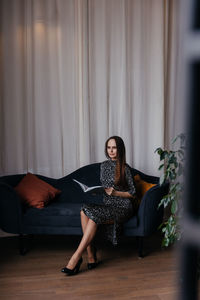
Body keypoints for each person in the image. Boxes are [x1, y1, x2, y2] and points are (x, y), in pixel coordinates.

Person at [61, 136, 137, 276]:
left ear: (120, 149)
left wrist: (116, 193)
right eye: (109, 147)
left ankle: (76, 257)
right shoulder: (103, 166)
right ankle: (91, 254)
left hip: (123, 208)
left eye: (114, 147)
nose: (111, 151)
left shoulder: (125, 168)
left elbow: (132, 193)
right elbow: (105, 189)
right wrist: (97, 192)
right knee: (84, 210)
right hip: (108, 205)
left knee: (92, 216)